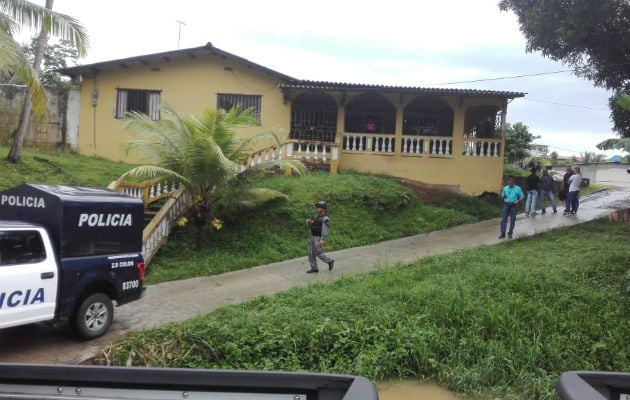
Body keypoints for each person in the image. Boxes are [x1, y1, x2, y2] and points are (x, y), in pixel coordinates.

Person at [305, 201, 334, 273]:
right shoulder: (318, 217)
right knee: (310, 253)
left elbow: (325, 229)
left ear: (323, 209)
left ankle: (330, 261)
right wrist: (310, 222)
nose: (317, 209)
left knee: (318, 252)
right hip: (313, 237)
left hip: (318, 238)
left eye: (318, 208)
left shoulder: (326, 218)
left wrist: (322, 239)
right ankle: (314, 268)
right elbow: (315, 225)